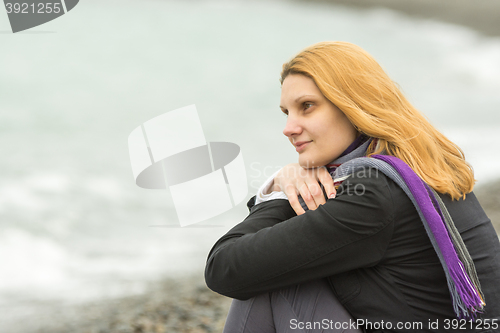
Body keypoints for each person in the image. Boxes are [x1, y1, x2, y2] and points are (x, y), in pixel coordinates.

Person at [204, 41, 500, 332]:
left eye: (307, 106)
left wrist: (279, 192)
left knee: (268, 283)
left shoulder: (374, 194)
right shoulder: (416, 166)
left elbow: (224, 268)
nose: (288, 128)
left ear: (354, 106)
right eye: (286, 112)